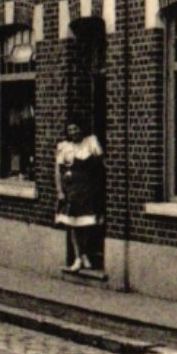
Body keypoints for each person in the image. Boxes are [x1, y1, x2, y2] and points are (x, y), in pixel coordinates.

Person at [54, 117, 105, 273]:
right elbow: (57, 171)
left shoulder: (90, 142)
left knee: (86, 223)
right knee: (73, 225)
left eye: (75, 129)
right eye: (70, 130)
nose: (73, 132)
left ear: (82, 129)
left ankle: (85, 253)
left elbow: (101, 165)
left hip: (88, 189)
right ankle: (78, 256)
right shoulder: (64, 147)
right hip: (72, 190)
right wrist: (60, 191)